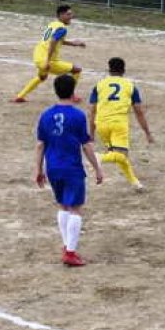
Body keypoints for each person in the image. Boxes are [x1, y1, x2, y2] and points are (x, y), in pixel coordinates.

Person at [35, 74, 104, 267]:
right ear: (73, 92)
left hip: (53, 168)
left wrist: (38, 170)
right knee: (75, 208)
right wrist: (97, 168)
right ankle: (70, 253)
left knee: (63, 206)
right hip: (72, 168)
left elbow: (40, 145)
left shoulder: (46, 115)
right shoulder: (78, 115)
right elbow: (87, 145)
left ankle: (67, 246)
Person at [88, 57, 154, 192]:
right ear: (123, 70)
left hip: (101, 123)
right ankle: (99, 157)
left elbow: (92, 111)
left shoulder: (99, 85)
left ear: (109, 70)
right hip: (118, 124)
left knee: (118, 156)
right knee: (121, 155)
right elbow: (139, 112)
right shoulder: (130, 86)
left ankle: (135, 183)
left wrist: (91, 133)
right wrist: (147, 132)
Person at [13, 4, 85, 103]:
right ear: (61, 15)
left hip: (38, 56)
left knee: (42, 77)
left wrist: (73, 43)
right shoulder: (62, 28)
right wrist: (48, 61)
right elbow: (53, 42)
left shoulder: (52, 24)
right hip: (47, 60)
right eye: (68, 14)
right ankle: (71, 96)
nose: (71, 17)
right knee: (77, 70)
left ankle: (20, 96)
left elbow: (56, 40)